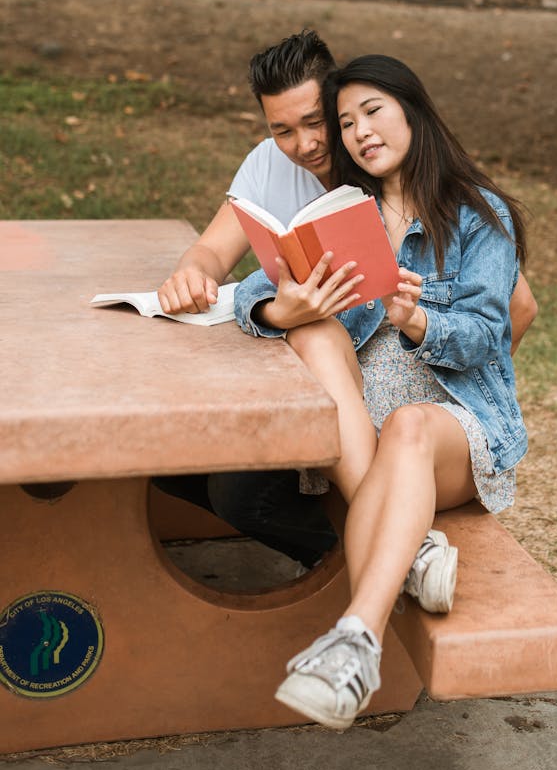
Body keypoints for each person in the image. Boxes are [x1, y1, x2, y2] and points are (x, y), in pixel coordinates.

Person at [155, 30, 537, 568]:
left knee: (240, 491)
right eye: (283, 130)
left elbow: (514, 310)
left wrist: (454, 401)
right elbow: (215, 258)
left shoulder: (420, 188)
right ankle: (404, 555)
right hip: (328, 385)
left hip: (395, 399)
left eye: (318, 123)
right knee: (179, 464)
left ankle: (379, 551)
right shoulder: (274, 165)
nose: (306, 144)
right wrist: (224, 289)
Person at [233, 54, 529, 730]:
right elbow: (254, 289)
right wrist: (287, 305)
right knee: (310, 333)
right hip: (361, 426)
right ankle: (415, 547)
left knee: (410, 427)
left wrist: (420, 321)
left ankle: (356, 639)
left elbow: (491, 333)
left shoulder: (480, 216)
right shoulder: (344, 211)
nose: (360, 131)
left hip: (451, 426)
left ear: (413, 111)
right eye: (347, 123)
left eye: (373, 111)